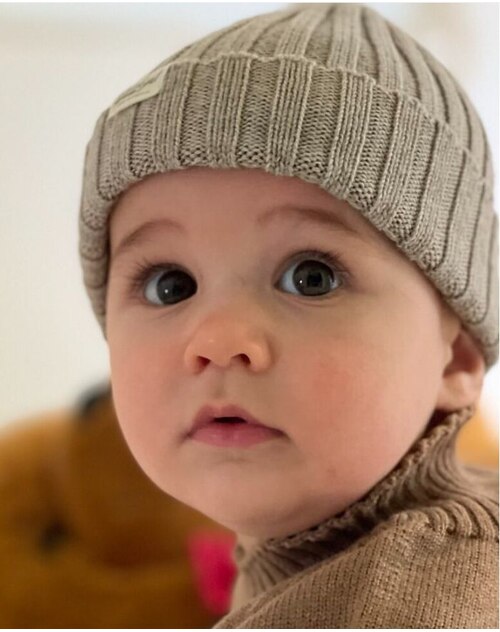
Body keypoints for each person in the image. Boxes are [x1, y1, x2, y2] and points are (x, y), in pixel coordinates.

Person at [78, 3, 498, 627]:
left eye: (311, 278)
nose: (218, 340)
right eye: (171, 285)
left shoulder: (417, 600)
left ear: (456, 359)